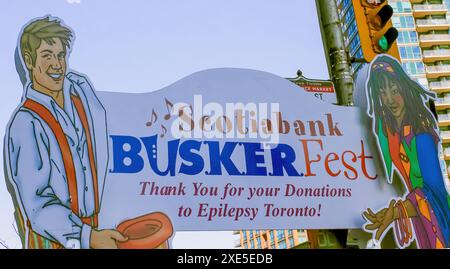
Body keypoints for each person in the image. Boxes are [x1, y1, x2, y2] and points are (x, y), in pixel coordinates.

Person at [3, 16, 127, 249]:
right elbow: (37, 204)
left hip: (97, 231)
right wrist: (87, 237)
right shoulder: (26, 122)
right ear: (29, 61)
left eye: (61, 56)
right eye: (47, 56)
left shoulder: (82, 98)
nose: (57, 64)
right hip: (53, 240)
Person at [363, 55, 450, 249]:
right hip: (421, 219)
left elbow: (434, 192)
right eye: (382, 92)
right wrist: (392, 212)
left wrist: (395, 213)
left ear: (404, 89)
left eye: (394, 90)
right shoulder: (393, 134)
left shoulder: (421, 132)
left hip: (440, 225)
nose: (389, 99)